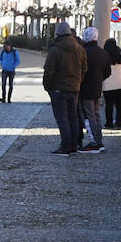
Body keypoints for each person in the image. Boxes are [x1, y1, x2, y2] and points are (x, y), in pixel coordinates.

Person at [42, 21, 86, 156]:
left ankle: (65, 146)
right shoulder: (80, 49)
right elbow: (84, 68)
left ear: (58, 34)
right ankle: (74, 144)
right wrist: (78, 81)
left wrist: (48, 86)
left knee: (62, 118)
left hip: (58, 89)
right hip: (74, 88)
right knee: (73, 117)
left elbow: (49, 70)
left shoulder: (55, 50)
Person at [78, 26, 109, 153]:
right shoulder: (103, 53)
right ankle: (99, 140)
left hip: (85, 88)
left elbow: (80, 70)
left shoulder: (84, 52)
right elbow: (108, 72)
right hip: (98, 87)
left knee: (89, 115)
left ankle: (94, 143)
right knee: (96, 115)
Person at [102, 38, 121, 130]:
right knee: (119, 104)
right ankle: (119, 122)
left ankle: (109, 123)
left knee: (109, 104)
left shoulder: (104, 56)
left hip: (108, 84)